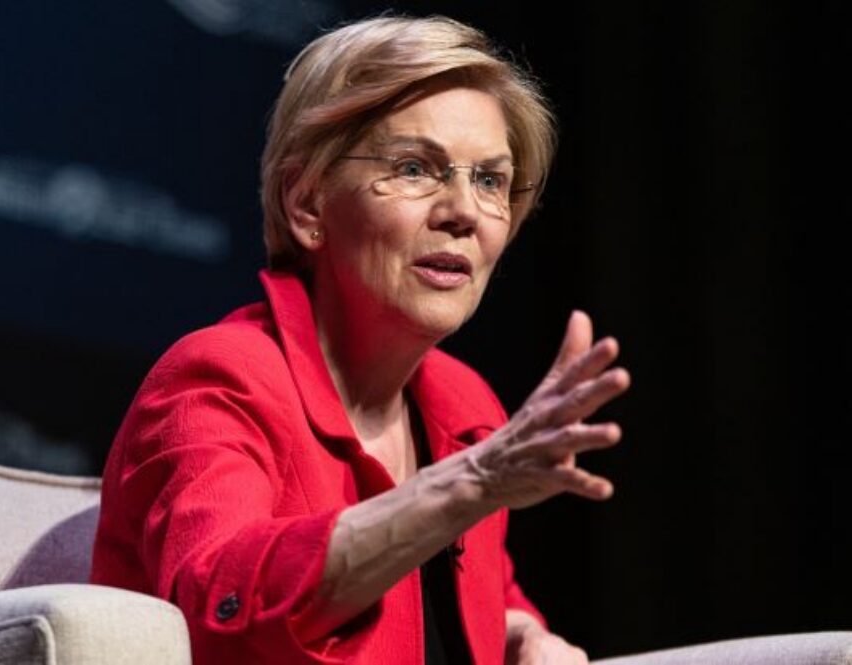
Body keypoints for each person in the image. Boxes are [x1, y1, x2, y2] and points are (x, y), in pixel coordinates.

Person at [90, 14, 629, 665]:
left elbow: (488, 596)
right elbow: (218, 610)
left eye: (489, 180)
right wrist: (470, 482)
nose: (462, 211)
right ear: (308, 205)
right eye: (414, 167)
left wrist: (527, 635)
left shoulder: (462, 407)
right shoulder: (217, 379)